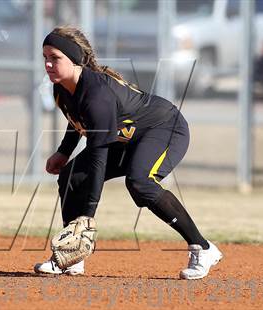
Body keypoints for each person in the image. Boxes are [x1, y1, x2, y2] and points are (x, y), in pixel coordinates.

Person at [34, 26, 223, 279]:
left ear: (75, 59)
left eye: (55, 57)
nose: (48, 64)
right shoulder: (62, 89)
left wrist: (87, 218)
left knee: (140, 182)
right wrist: (63, 152)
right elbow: (77, 118)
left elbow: (98, 156)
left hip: (164, 128)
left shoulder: (97, 94)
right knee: (71, 178)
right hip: (126, 138)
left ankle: (203, 247)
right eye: (45, 57)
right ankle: (72, 254)